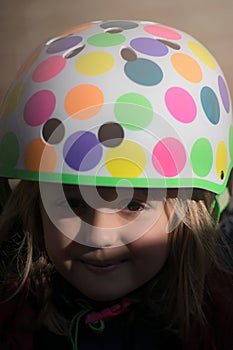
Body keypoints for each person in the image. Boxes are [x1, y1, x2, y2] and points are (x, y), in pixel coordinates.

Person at [0, 19, 233, 350]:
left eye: (134, 204)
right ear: (32, 205)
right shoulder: (13, 319)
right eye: (73, 203)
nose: (100, 233)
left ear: (193, 211)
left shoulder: (218, 325)